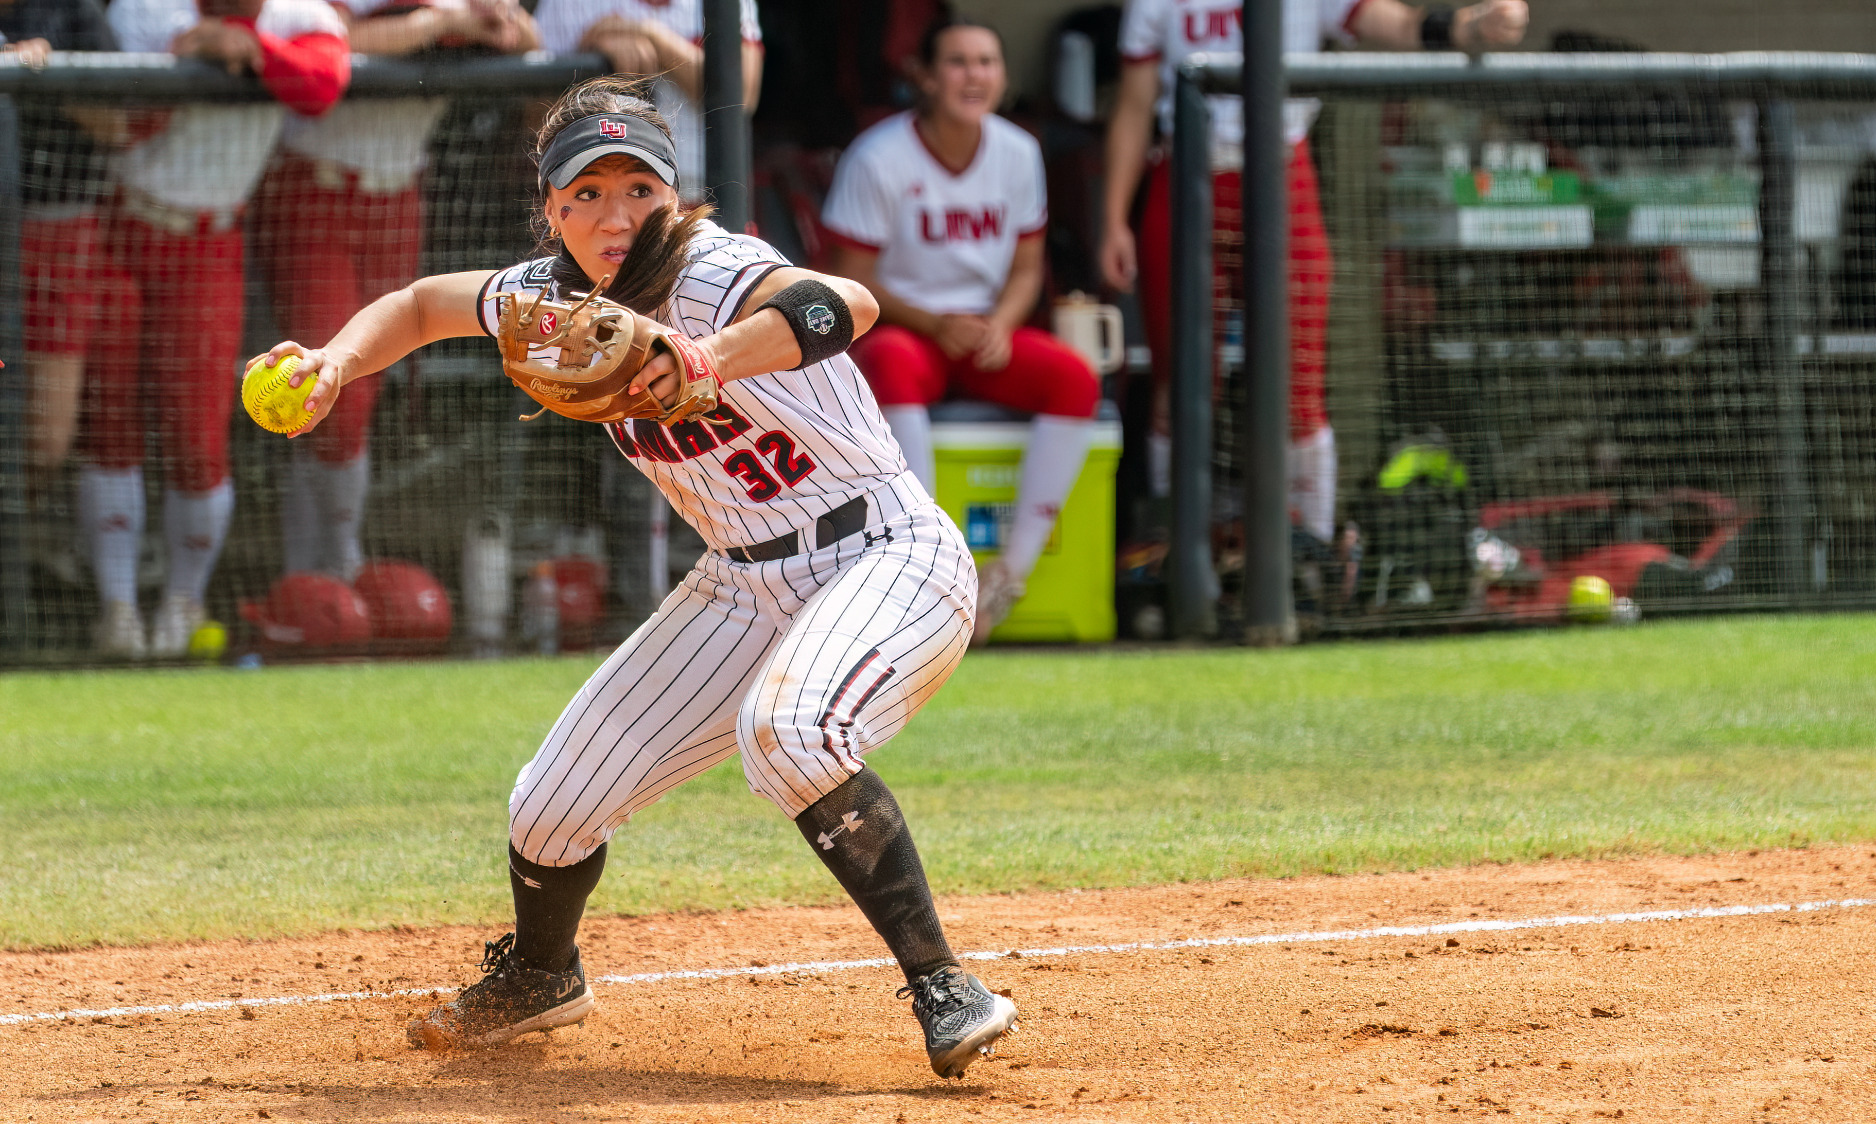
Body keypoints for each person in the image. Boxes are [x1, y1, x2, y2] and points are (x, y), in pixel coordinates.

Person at [254, 77, 1018, 1079]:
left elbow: (849, 302)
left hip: (885, 551)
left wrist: (709, 357)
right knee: (548, 806)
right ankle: (540, 972)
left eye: (637, 190)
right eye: (587, 194)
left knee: (788, 734)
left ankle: (943, 982)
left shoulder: (712, 267)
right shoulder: (545, 300)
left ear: (672, 195)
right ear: (551, 206)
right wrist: (334, 361)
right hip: (740, 582)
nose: (615, 216)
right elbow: (422, 304)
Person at [1098, 0, 1528, 549]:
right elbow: (1135, 105)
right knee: (1181, 382)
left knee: (1297, 382)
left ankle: (1311, 556)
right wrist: (1114, 218)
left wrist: (1471, 26)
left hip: (1280, 172)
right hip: (1187, 175)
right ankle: (1178, 551)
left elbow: (1393, 23)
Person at [83, 0, 348, 658]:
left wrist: (253, 50)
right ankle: (117, 609)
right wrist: (189, 53)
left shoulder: (299, 15)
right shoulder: (148, 8)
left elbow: (320, 87)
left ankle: (182, 600)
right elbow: (124, 125)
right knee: (110, 420)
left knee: (198, 434)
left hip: (210, 240)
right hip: (122, 226)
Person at [823, 16, 1100, 644]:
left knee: (1075, 379)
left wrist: (1001, 324)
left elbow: (1029, 267)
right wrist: (933, 322)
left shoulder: (1019, 151)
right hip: (907, 328)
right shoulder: (879, 156)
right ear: (924, 75)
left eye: (986, 62)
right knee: (889, 360)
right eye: (957, 62)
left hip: (980, 331)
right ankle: (928, 568)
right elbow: (849, 278)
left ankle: (1009, 575)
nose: (973, 76)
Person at [251, 0, 538, 581]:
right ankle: (317, 570)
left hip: (398, 194)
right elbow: (340, 38)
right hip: (317, 185)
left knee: (364, 389)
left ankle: (324, 570)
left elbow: (525, 34)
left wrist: (482, 18)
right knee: (330, 388)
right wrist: (436, 24)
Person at [2, 0, 118, 584]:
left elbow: (120, 125)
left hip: (58, 227)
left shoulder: (73, 13)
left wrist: (41, 78)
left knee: (45, 438)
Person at [534, 0, 763, 199]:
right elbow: (534, 116)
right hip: (598, 199)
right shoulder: (565, 3)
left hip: (702, 199)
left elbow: (744, 97)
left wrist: (650, 35)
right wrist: (590, 54)